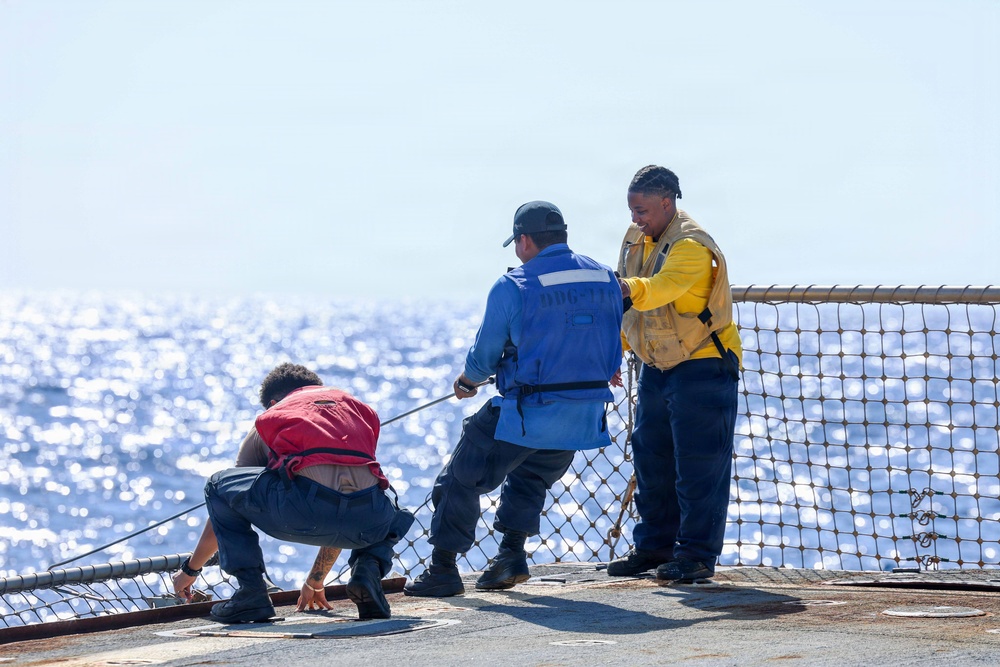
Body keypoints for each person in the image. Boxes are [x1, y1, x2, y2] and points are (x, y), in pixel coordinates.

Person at [404, 201, 624, 598]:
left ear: (523, 240)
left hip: (528, 411)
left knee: (459, 478)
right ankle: (510, 555)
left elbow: (484, 356)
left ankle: (442, 569)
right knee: (531, 476)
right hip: (583, 416)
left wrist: (467, 381)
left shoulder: (514, 285)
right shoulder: (606, 277)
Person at [172, 363, 414, 623]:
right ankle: (368, 571)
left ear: (274, 402)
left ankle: (251, 594)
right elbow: (344, 502)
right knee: (393, 507)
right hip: (369, 520)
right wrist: (316, 580)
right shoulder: (351, 407)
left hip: (306, 513)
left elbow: (229, 500)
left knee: (218, 485)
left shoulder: (278, 413)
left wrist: (191, 569)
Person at [606, 165, 742, 582]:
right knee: (652, 458)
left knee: (699, 465)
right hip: (657, 365)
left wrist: (623, 287)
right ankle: (654, 549)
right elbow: (631, 313)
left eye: (642, 210)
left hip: (702, 365)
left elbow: (658, 291)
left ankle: (697, 556)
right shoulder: (636, 239)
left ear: (667, 203)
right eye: (631, 210)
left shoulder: (691, 246)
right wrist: (616, 351)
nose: (635, 219)